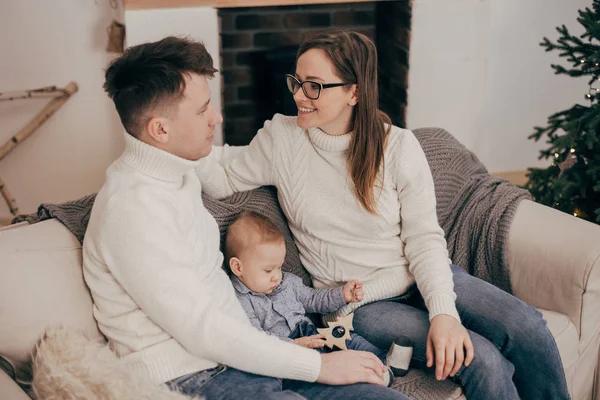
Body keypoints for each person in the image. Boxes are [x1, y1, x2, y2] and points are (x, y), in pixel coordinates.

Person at [197, 30, 571, 400]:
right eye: (296, 81)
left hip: (416, 276)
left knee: (527, 325)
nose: (298, 95)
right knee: (481, 359)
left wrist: (443, 312)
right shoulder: (282, 139)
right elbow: (223, 174)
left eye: (314, 86)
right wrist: (163, 142)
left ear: (354, 92)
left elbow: (424, 238)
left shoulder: (397, 146)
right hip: (359, 305)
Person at [82, 35, 410, 400]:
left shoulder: (177, 169)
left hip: (246, 355)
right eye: (203, 109)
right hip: (193, 376)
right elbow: (203, 330)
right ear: (160, 129)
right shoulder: (132, 211)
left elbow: (227, 162)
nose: (217, 118)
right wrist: (321, 367)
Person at [224, 211, 394, 386]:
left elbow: (314, 299)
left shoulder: (287, 283)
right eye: (268, 270)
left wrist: (342, 294)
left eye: (279, 267)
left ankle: (383, 366)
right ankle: (366, 377)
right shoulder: (239, 301)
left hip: (315, 333)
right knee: (324, 369)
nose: (276, 276)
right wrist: (293, 345)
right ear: (238, 267)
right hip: (291, 351)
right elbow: (256, 339)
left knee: (349, 337)